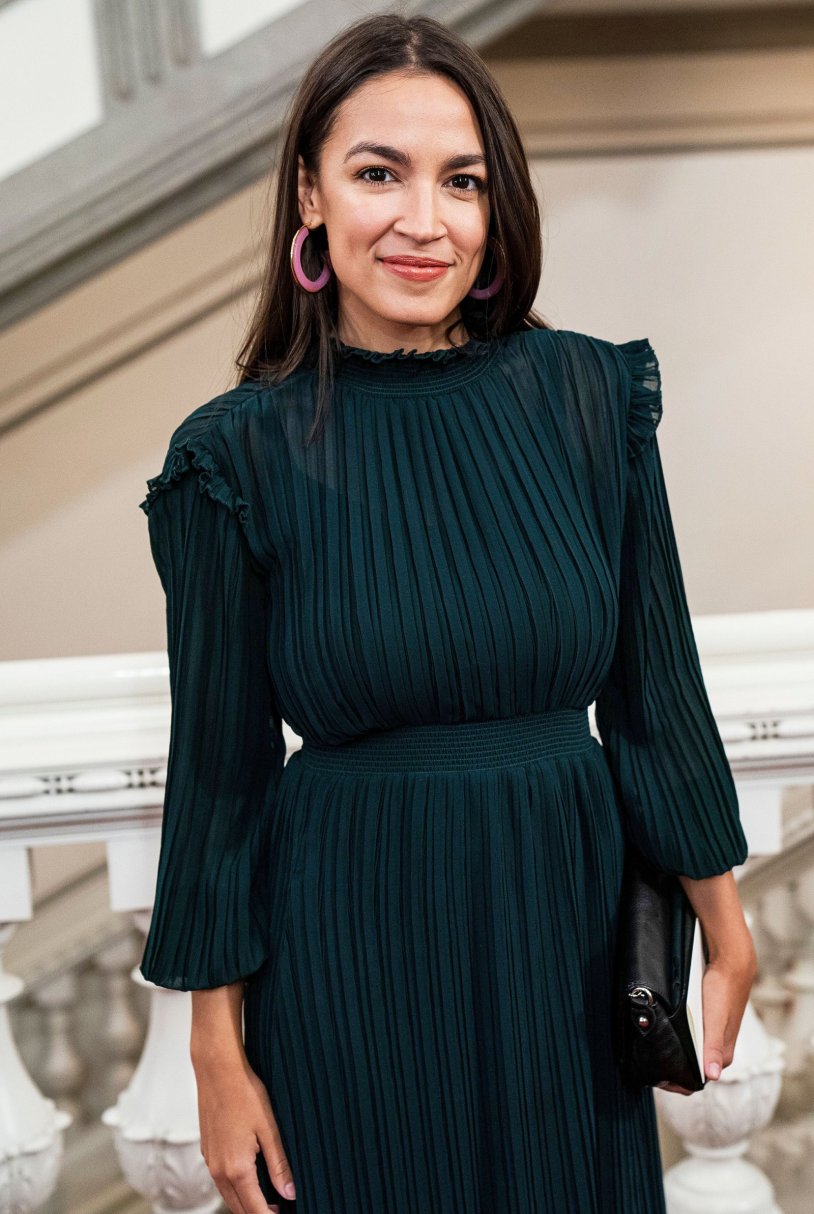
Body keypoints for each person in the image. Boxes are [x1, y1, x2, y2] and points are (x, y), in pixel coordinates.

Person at [137, 12, 756, 1214]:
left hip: (564, 943)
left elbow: (653, 685)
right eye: (379, 173)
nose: (424, 220)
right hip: (346, 949)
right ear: (309, 194)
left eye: (460, 181)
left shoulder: (588, 395)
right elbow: (218, 775)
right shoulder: (234, 458)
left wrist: (723, 918)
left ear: (496, 206)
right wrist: (215, 1048)